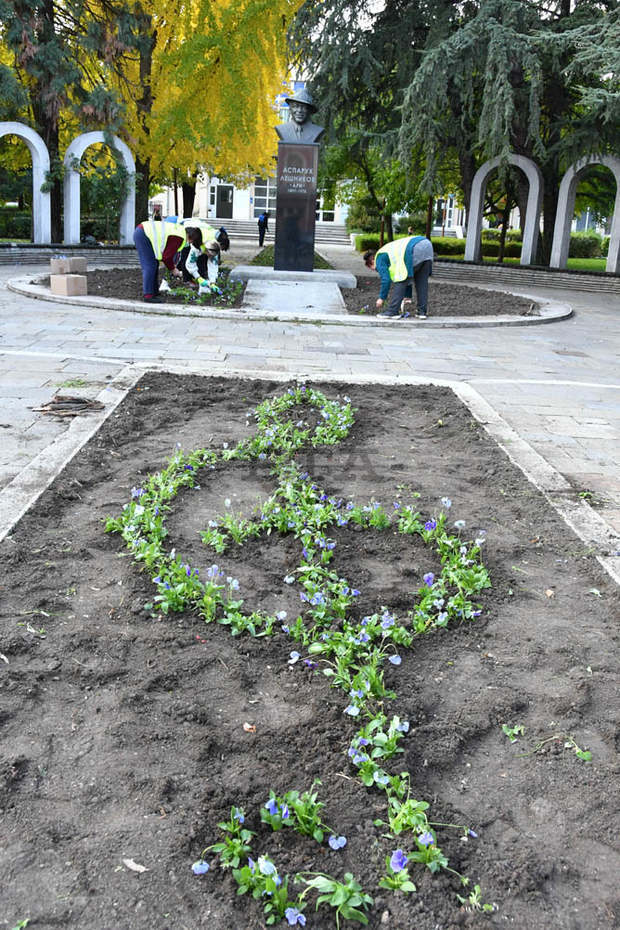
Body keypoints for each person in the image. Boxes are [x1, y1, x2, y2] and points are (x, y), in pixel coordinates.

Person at [363, 234, 434, 319]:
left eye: (373, 268)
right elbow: (407, 276)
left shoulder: (379, 257)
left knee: (400, 279)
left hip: (413, 248)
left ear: (372, 261)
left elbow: (386, 279)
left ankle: (392, 311)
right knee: (422, 283)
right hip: (426, 245)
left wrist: (382, 298)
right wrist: (407, 296)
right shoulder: (389, 251)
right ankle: (422, 312)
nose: (376, 270)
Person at [133, 218, 185, 302]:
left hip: (143, 231)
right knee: (150, 265)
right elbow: (166, 257)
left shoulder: (179, 232)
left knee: (154, 264)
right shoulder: (178, 236)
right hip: (143, 233)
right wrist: (173, 269)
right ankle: (148, 295)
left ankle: (154, 292)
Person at [178, 228, 221, 293]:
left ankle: (204, 283)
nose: (210, 257)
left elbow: (213, 265)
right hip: (190, 237)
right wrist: (198, 278)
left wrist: (213, 282)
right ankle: (187, 280)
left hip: (203, 236)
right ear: (206, 250)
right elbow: (190, 264)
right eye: (209, 255)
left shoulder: (214, 247)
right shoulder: (196, 248)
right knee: (184, 260)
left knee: (203, 263)